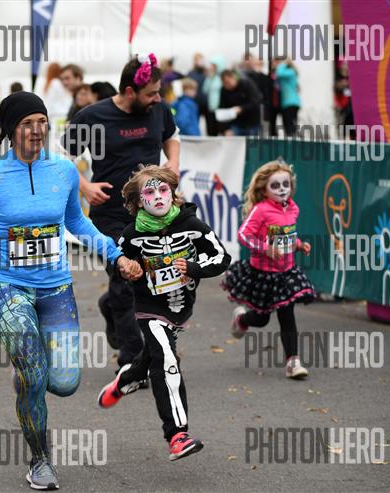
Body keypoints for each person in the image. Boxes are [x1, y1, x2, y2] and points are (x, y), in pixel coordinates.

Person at [0, 91, 141, 490]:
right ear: (10, 130)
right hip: (7, 286)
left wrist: (116, 256)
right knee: (34, 372)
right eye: (27, 124)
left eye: (42, 122)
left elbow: (77, 223)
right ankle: (40, 460)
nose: (36, 130)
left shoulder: (64, 171)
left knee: (64, 383)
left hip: (55, 288)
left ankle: (28, 379)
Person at [97, 165, 229, 461]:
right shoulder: (132, 235)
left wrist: (194, 268)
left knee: (154, 355)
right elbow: (116, 263)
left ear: (172, 193)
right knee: (167, 359)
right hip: (149, 307)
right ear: (138, 201)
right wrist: (126, 269)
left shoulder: (193, 225)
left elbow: (222, 257)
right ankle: (177, 434)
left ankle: (126, 380)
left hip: (181, 306)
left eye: (163, 189)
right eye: (149, 191)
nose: (157, 196)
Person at [62, 53, 180, 369]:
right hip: (110, 213)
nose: (158, 99)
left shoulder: (158, 110)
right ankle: (132, 359)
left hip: (152, 213)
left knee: (152, 281)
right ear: (130, 91)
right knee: (126, 278)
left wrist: (174, 163)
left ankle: (109, 306)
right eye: (151, 94)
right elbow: (64, 157)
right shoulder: (92, 116)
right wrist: (84, 186)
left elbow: (172, 136)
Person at [221, 159, 315, 379]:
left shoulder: (293, 208)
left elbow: (287, 235)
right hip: (262, 274)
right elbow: (243, 235)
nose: (282, 189)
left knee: (287, 314)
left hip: (286, 272)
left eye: (286, 184)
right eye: (275, 185)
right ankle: (242, 319)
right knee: (261, 319)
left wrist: (299, 245)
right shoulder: (261, 210)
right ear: (264, 190)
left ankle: (293, 363)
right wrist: (266, 249)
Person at [219, 69, 262, 136]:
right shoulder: (224, 90)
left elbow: (256, 102)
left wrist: (241, 108)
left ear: (233, 77)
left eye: (228, 82)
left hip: (252, 123)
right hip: (236, 124)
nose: (227, 85)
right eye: (224, 83)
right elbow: (223, 108)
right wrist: (225, 129)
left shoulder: (247, 84)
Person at [273, 58, 301, 137]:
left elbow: (279, 73)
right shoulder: (287, 73)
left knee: (290, 126)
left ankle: (292, 140)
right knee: (287, 125)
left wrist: (282, 64)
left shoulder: (290, 72)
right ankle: (291, 138)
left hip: (291, 102)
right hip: (286, 103)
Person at [201, 55, 225, 136]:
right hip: (210, 109)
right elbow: (205, 90)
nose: (212, 67)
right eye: (211, 65)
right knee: (211, 131)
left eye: (214, 65)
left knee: (221, 131)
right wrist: (209, 78)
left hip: (221, 109)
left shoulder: (223, 77)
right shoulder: (211, 77)